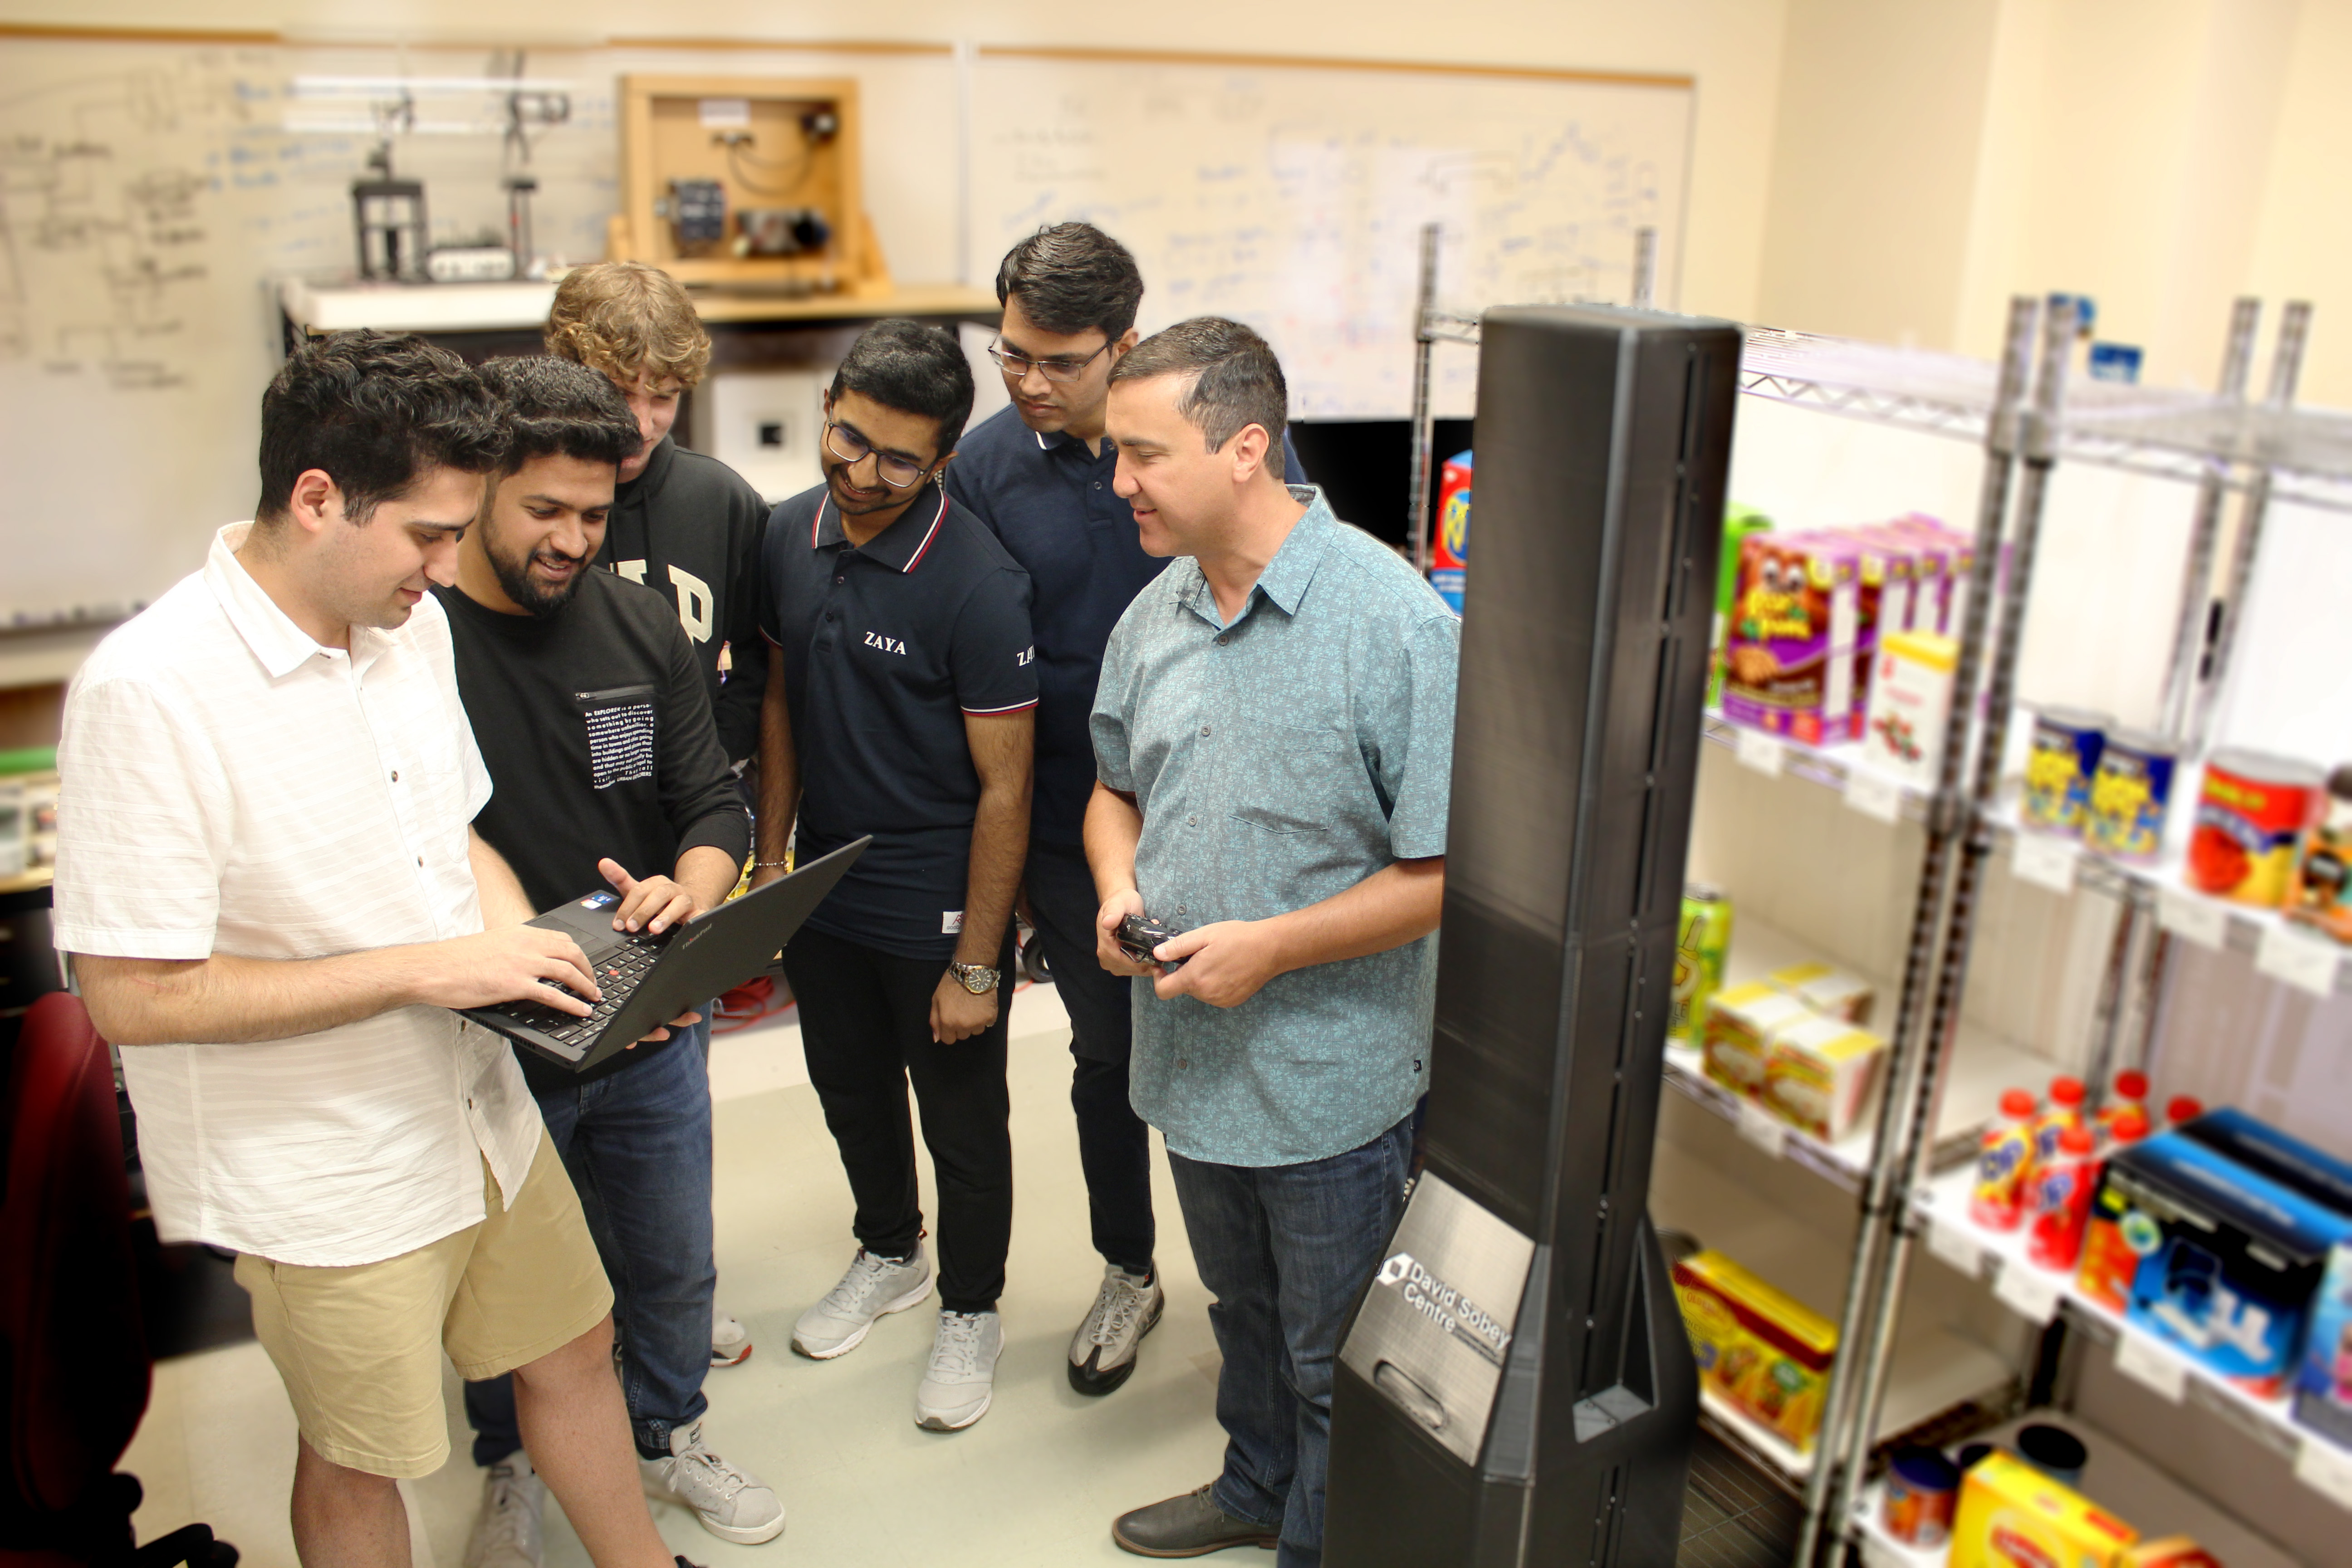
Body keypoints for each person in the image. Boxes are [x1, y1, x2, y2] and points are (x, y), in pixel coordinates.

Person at [53, 331, 694, 1568]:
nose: (450, 571)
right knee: (362, 1453)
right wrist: (424, 971)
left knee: (572, 1351)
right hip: (327, 1164)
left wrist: (562, 974)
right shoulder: (152, 690)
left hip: (476, 1103)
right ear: (315, 500)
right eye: (428, 536)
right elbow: (130, 996)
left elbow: (451, 842)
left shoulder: (409, 630)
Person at [1086, 318, 1458, 1566]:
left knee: (1328, 1351)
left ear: (1245, 448)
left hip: (1326, 1087)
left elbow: (1445, 876)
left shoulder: (1392, 622)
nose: (1119, 481)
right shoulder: (1155, 615)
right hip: (1191, 1064)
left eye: (1143, 454)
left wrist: (1276, 949)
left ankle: (1320, 1540)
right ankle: (1256, 1486)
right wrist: (1110, 885)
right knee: (1242, 1313)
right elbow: (1111, 787)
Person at [944, 222, 1309, 1396]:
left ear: (1127, 344)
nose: (1032, 384)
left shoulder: (1218, 449)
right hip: (1075, 821)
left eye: (1062, 361)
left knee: (1243, 1051)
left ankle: (1272, 1301)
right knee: (1111, 1059)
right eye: (1014, 356)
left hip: (1233, 811)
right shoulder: (987, 468)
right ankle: (1129, 1268)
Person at [439, 357, 783, 1559]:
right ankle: (512, 1462)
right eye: (546, 511)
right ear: (481, 487)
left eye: (595, 514)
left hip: (648, 1023)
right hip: (489, 1042)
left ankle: (667, 1435)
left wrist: (689, 896)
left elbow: (713, 809)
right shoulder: (415, 644)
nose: (574, 541)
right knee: (510, 1286)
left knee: (669, 1259)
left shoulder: (637, 623)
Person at [753, 319, 1036, 1431]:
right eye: (848, 438)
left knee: (961, 1122)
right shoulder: (784, 534)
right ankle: (889, 1251)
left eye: (897, 459)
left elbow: (1005, 788)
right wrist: (771, 866)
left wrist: (978, 957)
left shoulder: (978, 583)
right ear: (827, 403)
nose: (862, 473)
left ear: (945, 462)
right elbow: (777, 701)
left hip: (935, 897)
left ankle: (971, 1303)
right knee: (848, 1090)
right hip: (823, 889)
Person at [545, 260, 770, 772]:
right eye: (620, 393)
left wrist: (716, 754)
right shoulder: (519, 507)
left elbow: (761, 657)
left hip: (691, 789)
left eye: (664, 397)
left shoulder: (722, 501)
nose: (641, 424)